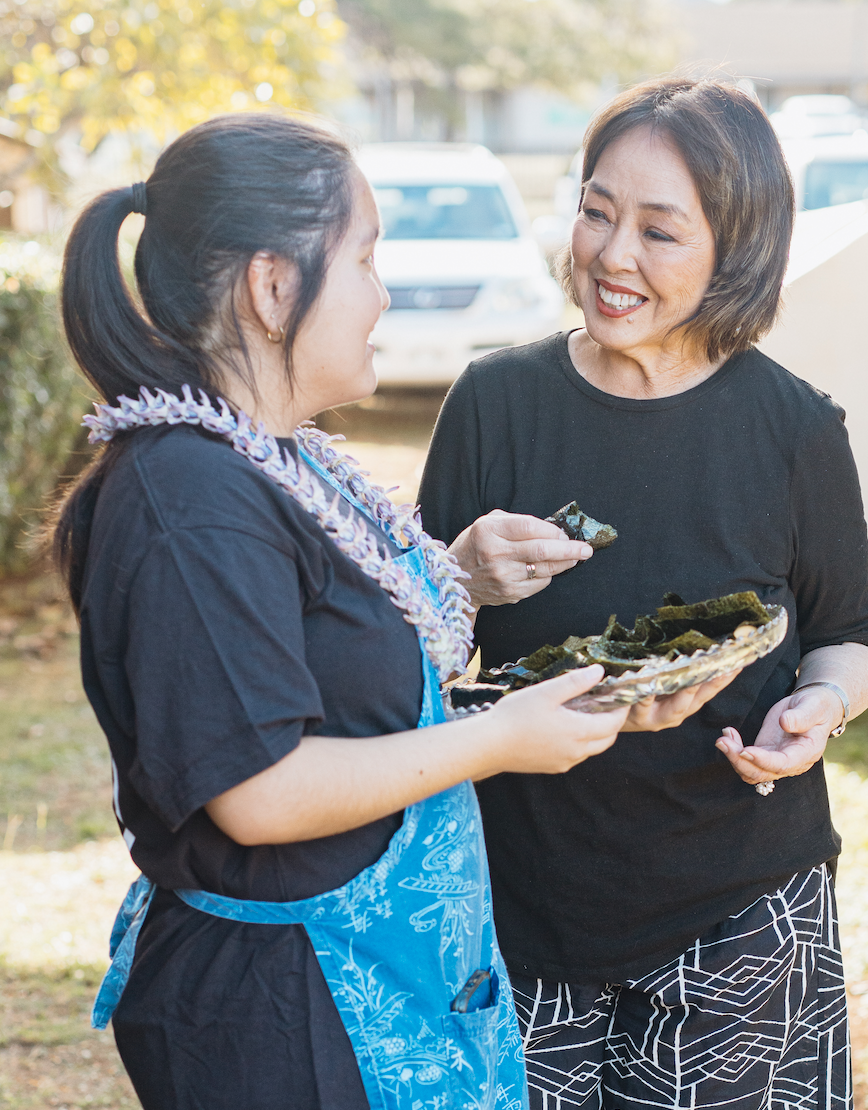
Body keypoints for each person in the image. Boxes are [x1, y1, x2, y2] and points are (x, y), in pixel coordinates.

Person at [50, 112, 634, 1110]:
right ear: (273, 288)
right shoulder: (186, 495)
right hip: (286, 1015)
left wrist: (457, 574)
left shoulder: (261, 456)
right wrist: (498, 738)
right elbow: (261, 792)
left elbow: (313, 651)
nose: (382, 291)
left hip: (354, 986)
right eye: (364, 256)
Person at [417, 77, 868, 1109]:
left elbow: (848, 637)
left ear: (738, 248)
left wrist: (818, 706)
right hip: (519, 900)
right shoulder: (493, 403)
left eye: (658, 231)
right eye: (595, 211)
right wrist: (455, 574)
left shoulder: (793, 429)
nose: (610, 255)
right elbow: (409, 663)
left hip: (738, 904)